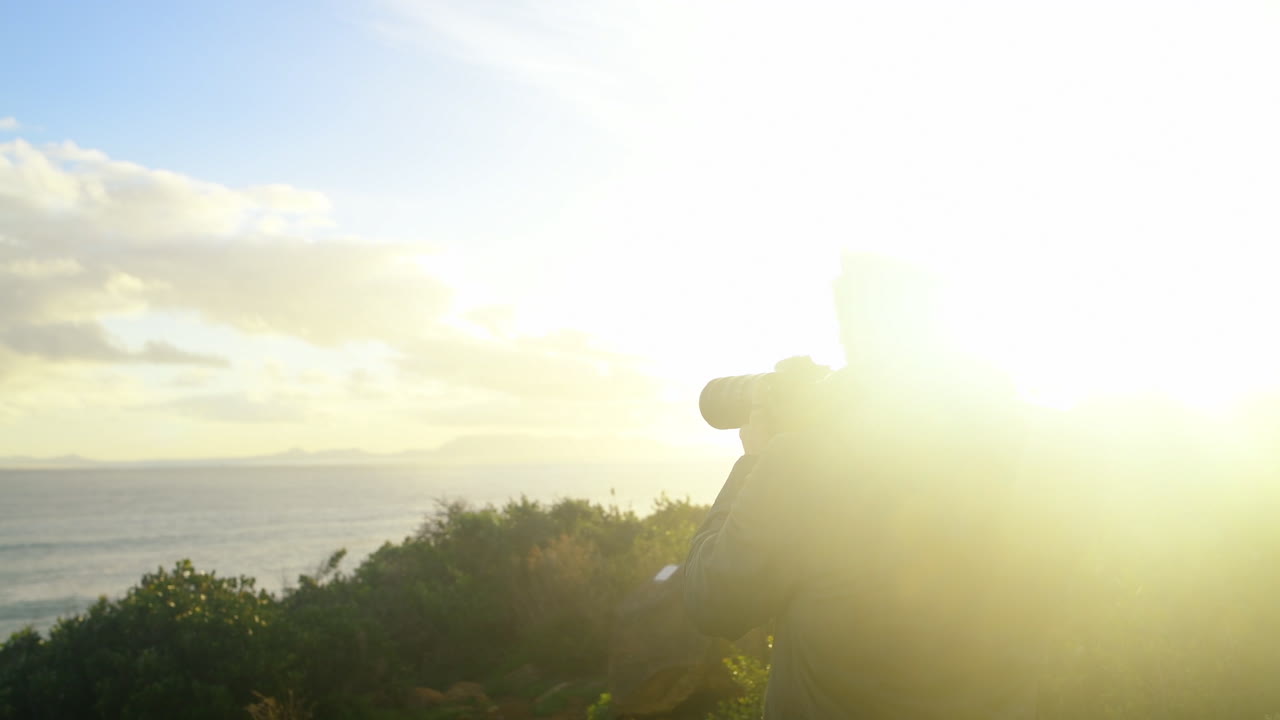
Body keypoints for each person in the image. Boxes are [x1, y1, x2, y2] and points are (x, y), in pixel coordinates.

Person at [683, 254, 1068, 718]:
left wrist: (757, 460)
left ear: (855, 334)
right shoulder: (1030, 445)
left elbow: (713, 601)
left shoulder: (806, 462)